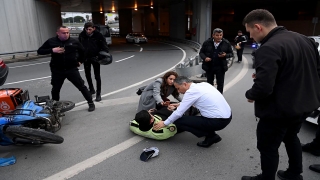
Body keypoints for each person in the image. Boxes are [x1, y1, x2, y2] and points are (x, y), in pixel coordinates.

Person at [242, 9, 320, 180]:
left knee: (268, 147)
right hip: (304, 105)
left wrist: (250, 94)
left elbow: (263, 88)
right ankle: (294, 173)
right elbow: (308, 70)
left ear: (258, 27)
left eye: (250, 32)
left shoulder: (268, 48)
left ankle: (266, 178)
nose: (251, 37)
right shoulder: (305, 40)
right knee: (291, 137)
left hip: (279, 110)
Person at [153, 76, 232, 148]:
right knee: (200, 115)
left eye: (178, 88)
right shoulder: (204, 84)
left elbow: (178, 113)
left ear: (185, 84)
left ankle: (211, 136)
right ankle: (210, 132)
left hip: (218, 121)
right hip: (227, 116)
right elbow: (197, 100)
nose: (179, 91)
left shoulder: (191, 92)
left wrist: (164, 123)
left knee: (178, 120)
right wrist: (179, 104)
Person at [37, 26, 95, 112]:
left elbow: (83, 51)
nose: (66, 34)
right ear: (58, 33)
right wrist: (52, 50)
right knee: (55, 89)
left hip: (71, 69)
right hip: (57, 70)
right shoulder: (51, 41)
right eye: (64, 33)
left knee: (81, 86)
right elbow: (40, 51)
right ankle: (55, 108)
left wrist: (80, 61)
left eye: (67, 32)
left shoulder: (74, 41)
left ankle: (90, 103)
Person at [79, 22, 109, 102]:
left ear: (93, 28)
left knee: (97, 76)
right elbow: (79, 47)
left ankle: (98, 94)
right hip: (86, 58)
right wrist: (80, 58)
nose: (88, 31)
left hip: (96, 58)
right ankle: (91, 89)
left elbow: (105, 47)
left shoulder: (98, 35)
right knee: (87, 75)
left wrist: (100, 56)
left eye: (90, 29)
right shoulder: (82, 35)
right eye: (86, 29)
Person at [199, 28, 233, 94]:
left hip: (221, 66)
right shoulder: (207, 43)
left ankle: (219, 96)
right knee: (209, 83)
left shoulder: (226, 43)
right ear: (213, 35)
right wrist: (205, 58)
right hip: (209, 66)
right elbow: (201, 52)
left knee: (220, 83)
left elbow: (231, 54)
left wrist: (225, 55)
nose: (219, 37)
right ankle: (210, 96)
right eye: (217, 35)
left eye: (220, 35)